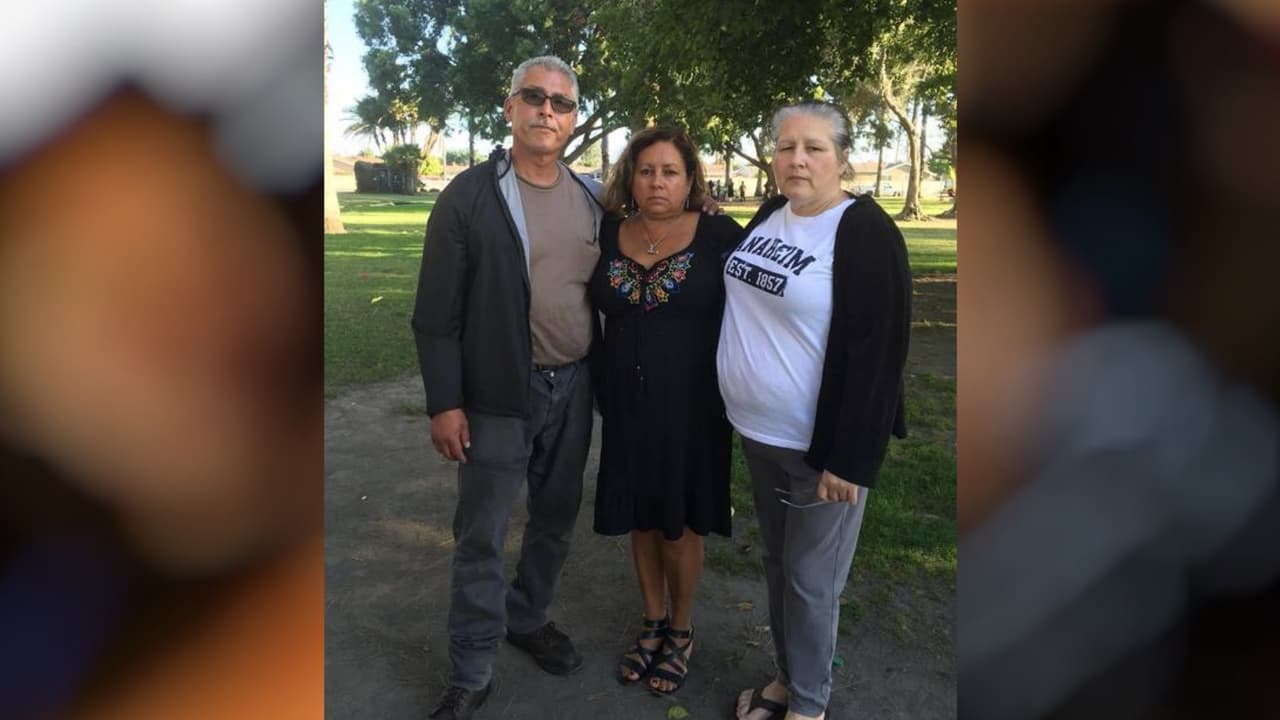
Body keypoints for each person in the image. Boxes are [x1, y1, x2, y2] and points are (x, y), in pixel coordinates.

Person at [411, 55, 604, 720]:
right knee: (482, 535)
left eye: (561, 102)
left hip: (573, 388)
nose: (547, 111)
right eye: (534, 97)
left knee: (554, 520)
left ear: (574, 118)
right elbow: (436, 315)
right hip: (497, 397)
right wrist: (444, 402)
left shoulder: (590, 196)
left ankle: (527, 616)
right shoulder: (469, 196)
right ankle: (471, 668)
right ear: (510, 106)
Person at [718, 100, 911, 720]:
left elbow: (879, 356)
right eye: (785, 146)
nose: (796, 159)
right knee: (780, 570)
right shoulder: (774, 213)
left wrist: (850, 460)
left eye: (814, 148)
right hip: (759, 434)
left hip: (819, 451)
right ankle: (786, 680)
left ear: (842, 157)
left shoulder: (865, 232)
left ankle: (807, 707)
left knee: (811, 582)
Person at [589, 126, 741, 694]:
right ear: (631, 176)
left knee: (679, 523)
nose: (657, 181)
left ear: (690, 179)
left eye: (670, 171)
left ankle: (681, 630)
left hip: (694, 407)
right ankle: (651, 620)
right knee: (641, 516)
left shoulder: (721, 234)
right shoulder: (609, 231)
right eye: (646, 170)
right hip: (625, 405)